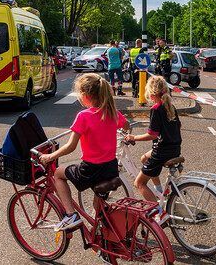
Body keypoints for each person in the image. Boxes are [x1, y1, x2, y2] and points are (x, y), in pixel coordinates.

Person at [39, 74, 129, 231]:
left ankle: (70, 215)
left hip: (91, 169)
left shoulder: (84, 116)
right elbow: (126, 125)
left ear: (86, 96)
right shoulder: (112, 112)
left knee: (59, 174)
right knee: (98, 203)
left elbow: (70, 146)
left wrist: (50, 156)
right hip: (110, 168)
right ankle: (105, 233)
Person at [124, 75, 182, 216]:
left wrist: (133, 137)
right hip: (174, 148)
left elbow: (153, 135)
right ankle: (158, 190)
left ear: (150, 92)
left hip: (162, 152)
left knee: (139, 183)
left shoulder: (156, 109)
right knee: (144, 158)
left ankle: (159, 212)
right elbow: (178, 126)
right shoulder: (170, 106)